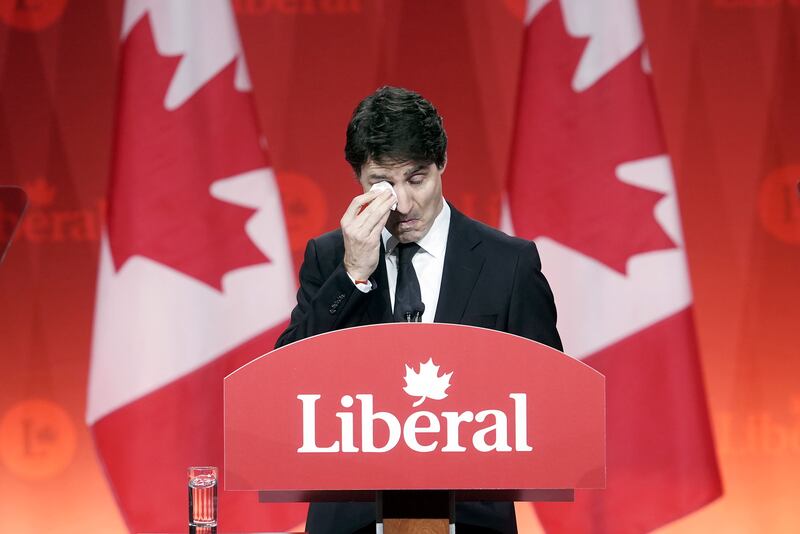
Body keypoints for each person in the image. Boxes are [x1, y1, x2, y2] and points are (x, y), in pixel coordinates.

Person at [275, 86, 561, 534]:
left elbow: (551, 397)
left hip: (471, 521)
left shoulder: (509, 263)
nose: (403, 205)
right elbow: (284, 384)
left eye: (416, 179)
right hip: (349, 520)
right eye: (382, 185)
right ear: (358, 178)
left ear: (441, 163)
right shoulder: (330, 259)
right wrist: (352, 276)